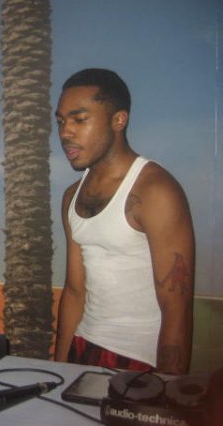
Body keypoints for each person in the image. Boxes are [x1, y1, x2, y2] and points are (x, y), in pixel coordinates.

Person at [54, 68, 195, 374]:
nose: (65, 132)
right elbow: (75, 291)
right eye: (61, 121)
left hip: (139, 362)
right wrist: (60, 370)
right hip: (83, 347)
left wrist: (167, 390)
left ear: (119, 120)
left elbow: (177, 309)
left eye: (80, 119)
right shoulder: (71, 197)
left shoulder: (155, 191)